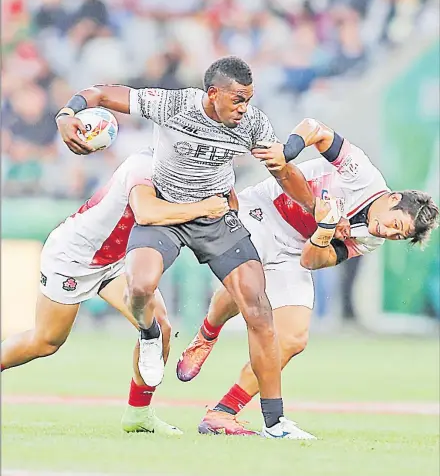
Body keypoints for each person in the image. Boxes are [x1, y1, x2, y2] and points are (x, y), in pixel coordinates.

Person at [55, 56, 319, 439]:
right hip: (166, 211)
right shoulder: (175, 105)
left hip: (214, 215)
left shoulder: (253, 123)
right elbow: (102, 94)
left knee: (259, 310)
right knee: (141, 287)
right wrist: (68, 112)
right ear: (212, 94)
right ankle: (149, 334)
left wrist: (316, 208)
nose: (244, 108)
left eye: (249, 99)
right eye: (238, 100)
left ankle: (276, 422)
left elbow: (283, 173)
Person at [177, 117, 440, 437]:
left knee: (293, 339)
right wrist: (288, 152)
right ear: (394, 199)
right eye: (395, 225)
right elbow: (315, 128)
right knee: (249, 285)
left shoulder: (371, 239)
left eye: (398, 237)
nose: (388, 233)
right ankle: (207, 335)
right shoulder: (364, 175)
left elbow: (312, 261)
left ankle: (223, 413)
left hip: (296, 250)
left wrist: (325, 232)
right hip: (263, 213)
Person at [1, 150, 230, 436]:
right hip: (74, 257)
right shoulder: (144, 164)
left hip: (116, 261)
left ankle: (138, 415)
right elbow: (147, 212)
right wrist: (204, 207)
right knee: (45, 341)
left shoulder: (182, 174)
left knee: (161, 327)